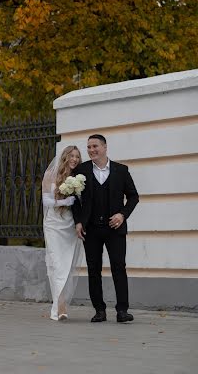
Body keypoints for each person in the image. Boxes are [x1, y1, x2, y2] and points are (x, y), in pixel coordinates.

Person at [72, 134, 139, 323]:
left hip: (115, 228)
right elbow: (74, 200)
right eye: (89, 147)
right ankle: (99, 311)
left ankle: (122, 311)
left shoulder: (121, 170)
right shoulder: (81, 170)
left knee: (119, 267)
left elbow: (134, 197)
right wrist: (78, 221)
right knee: (94, 270)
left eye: (95, 146)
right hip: (91, 229)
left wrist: (122, 214)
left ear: (105, 147)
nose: (91, 150)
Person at [42, 145, 83, 321]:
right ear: (65, 157)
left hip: (69, 224)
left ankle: (60, 303)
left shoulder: (78, 178)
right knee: (56, 262)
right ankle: (60, 304)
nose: (74, 159)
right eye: (71, 156)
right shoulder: (50, 175)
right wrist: (65, 200)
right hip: (53, 223)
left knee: (66, 264)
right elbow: (46, 201)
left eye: (77, 156)